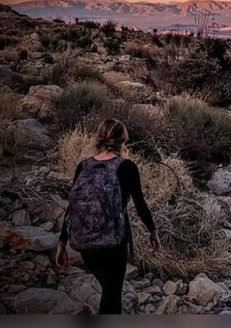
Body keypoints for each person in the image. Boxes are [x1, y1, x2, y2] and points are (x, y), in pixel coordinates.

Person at [55, 119, 160, 314]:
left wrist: (62, 242)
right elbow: (140, 205)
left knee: (108, 290)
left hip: (85, 244)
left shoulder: (83, 166)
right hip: (113, 244)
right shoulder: (127, 167)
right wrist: (153, 231)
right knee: (112, 297)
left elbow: (71, 206)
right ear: (123, 140)